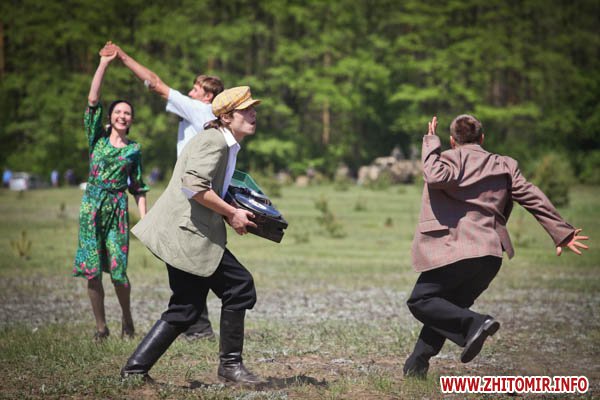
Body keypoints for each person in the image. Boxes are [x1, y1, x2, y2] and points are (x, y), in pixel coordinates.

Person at [404, 115, 589, 378]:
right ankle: (416, 366)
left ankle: (476, 323)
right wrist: (562, 232)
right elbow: (531, 195)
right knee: (445, 309)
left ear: (452, 141)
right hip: (490, 257)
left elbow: (433, 175)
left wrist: (431, 141)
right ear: (482, 138)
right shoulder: (504, 164)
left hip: (456, 252)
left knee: (421, 300)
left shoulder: (448, 159)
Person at [121, 86, 264, 384]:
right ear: (227, 117)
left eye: (253, 108)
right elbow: (194, 185)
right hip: (187, 235)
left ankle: (135, 369)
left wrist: (234, 212)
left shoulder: (223, 141)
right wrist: (231, 213)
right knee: (239, 286)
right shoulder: (214, 141)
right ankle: (230, 366)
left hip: (185, 233)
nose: (253, 114)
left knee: (186, 307)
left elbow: (206, 188)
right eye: (246, 110)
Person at [100, 41, 223, 341]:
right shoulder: (209, 116)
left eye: (195, 89)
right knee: (187, 253)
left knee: (178, 253)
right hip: (198, 189)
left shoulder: (199, 108)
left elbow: (154, 83)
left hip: (188, 191)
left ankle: (194, 324)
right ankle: (196, 325)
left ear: (207, 96)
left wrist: (122, 57)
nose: (189, 93)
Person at [72, 49, 149, 341]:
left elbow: (138, 187)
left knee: (118, 272)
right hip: (91, 207)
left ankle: (127, 321)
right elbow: (93, 100)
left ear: (131, 120)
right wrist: (104, 63)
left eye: (127, 113)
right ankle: (101, 328)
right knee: (92, 271)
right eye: (118, 111)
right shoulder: (97, 139)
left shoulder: (134, 149)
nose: (122, 115)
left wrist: (145, 219)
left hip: (117, 209)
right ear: (110, 117)